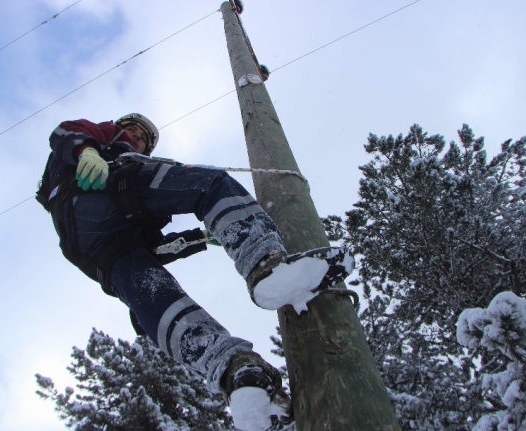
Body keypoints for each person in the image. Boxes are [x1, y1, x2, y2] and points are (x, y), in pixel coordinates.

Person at [36, 113, 352, 430]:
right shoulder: (106, 139)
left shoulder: (127, 164)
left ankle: (237, 374)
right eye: (132, 129)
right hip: (105, 191)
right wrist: (87, 151)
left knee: (154, 298)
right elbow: (65, 131)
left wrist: (199, 238)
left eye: (143, 137)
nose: (136, 136)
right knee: (210, 183)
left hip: (102, 245)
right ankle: (264, 264)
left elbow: (157, 249)